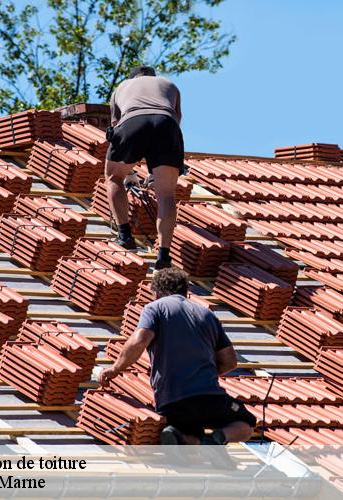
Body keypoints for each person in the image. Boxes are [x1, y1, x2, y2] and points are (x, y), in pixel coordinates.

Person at [98, 268, 256, 445]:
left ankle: (181, 437)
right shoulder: (207, 314)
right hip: (209, 397)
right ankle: (215, 439)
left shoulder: (155, 308)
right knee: (247, 423)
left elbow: (139, 341)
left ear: (157, 293)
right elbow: (230, 361)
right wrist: (202, 374)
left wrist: (115, 368)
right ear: (185, 291)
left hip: (172, 401)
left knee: (187, 430)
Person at [105, 65, 184, 270]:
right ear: (152, 77)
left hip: (133, 122)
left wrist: (129, 171)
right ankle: (164, 255)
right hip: (167, 125)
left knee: (113, 177)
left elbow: (116, 125)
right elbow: (177, 119)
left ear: (134, 78)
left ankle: (124, 235)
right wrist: (154, 170)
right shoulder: (169, 84)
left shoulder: (122, 87)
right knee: (166, 194)